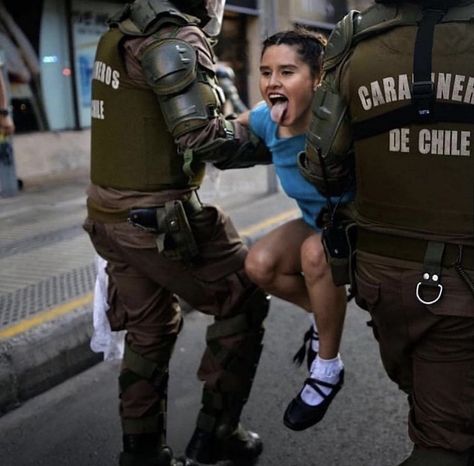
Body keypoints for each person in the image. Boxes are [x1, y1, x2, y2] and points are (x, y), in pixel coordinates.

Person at [83, 1, 273, 465]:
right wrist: (283, 145)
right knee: (242, 297)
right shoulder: (171, 37)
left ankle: (143, 453)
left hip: (108, 215)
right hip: (157, 220)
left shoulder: (121, 27)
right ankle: (216, 433)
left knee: (150, 329)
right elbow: (204, 138)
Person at [299, 1, 474, 465]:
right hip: (461, 286)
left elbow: (322, 167)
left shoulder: (356, 40)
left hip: (379, 277)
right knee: (443, 439)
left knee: (429, 399)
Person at [238, 29, 350, 431]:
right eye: (265, 72)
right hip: (313, 220)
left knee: (314, 254)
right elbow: (229, 129)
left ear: (317, 77)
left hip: (357, 225)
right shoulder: (267, 120)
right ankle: (325, 317)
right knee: (259, 264)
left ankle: (327, 368)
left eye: (287, 71)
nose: (272, 82)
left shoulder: (339, 117)